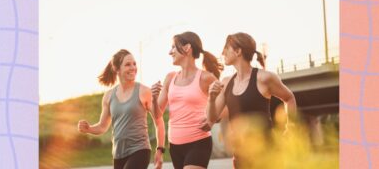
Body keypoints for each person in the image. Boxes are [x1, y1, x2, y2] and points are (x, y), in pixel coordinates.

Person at [206, 33, 297, 168]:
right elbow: (211, 118)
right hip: (240, 155)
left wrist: (290, 127)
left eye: (226, 47)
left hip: (268, 152)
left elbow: (289, 98)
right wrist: (211, 99)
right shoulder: (226, 83)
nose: (222, 52)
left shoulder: (264, 78)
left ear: (238, 51)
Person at [77, 49, 165, 169]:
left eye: (134, 64)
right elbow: (102, 126)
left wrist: (160, 149)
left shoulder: (144, 91)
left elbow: (158, 120)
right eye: (128, 64)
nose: (133, 67)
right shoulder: (108, 96)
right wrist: (89, 129)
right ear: (116, 69)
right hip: (118, 154)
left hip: (140, 150)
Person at [151, 31, 223, 169]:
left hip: (198, 142)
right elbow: (157, 114)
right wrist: (154, 99)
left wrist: (211, 120)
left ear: (187, 48)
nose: (170, 52)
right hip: (175, 145)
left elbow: (222, 109)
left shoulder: (206, 78)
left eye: (173, 47)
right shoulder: (170, 78)